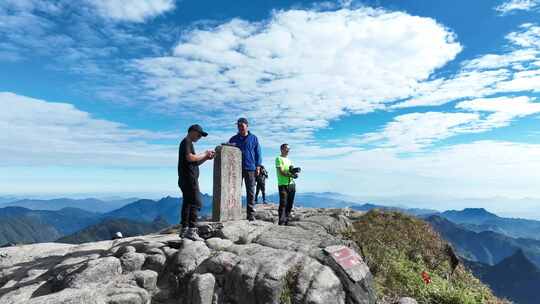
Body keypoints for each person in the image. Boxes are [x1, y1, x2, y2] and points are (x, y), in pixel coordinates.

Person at [178, 124, 215, 241]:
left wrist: (206, 158)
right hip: (189, 179)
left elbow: (194, 163)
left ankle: (184, 229)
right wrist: (204, 153)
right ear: (192, 132)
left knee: (188, 203)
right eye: (199, 135)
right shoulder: (186, 142)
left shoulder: (187, 143)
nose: (199, 137)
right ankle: (191, 230)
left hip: (185, 178)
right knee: (196, 202)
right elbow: (190, 158)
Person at [229, 117, 262, 221]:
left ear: (247, 126)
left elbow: (258, 153)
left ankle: (250, 214)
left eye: (242, 126)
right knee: (235, 191)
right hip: (236, 169)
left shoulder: (254, 138)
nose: (240, 128)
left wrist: (258, 166)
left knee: (251, 191)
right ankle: (234, 213)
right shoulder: (233, 139)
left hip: (250, 168)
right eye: (238, 126)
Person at [275, 143, 296, 225]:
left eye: (288, 149)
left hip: (291, 184)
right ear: (282, 149)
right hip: (282, 184)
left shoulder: (289, 160)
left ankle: (286, 220)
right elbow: (281, 172)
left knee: (290, 204)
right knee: (283, 203)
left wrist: (294, 174)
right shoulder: (278, 158)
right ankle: (281, 221)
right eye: (286, 149)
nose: (288, 151)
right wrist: (291, 174)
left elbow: (291, 170)